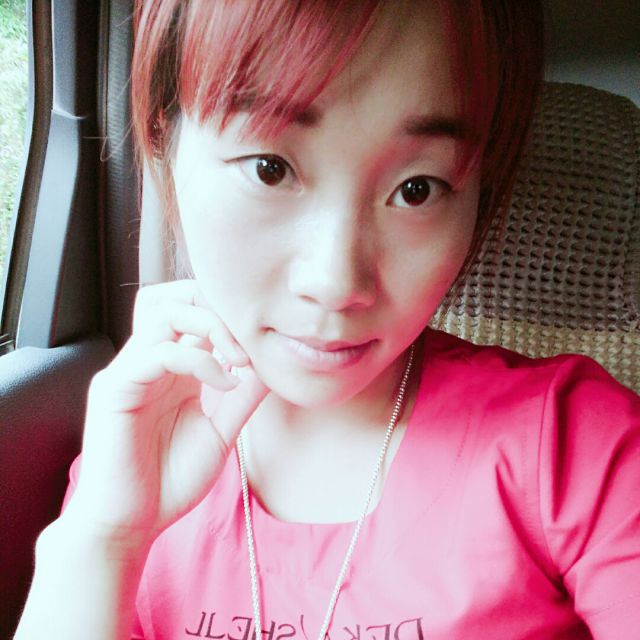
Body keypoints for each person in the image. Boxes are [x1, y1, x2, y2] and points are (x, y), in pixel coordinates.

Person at [15, 1, 640, 639]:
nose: (337, 283)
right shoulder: (136, 456)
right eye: (270, 169)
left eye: (417, 189)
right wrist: (104, 538)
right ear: (161, 144)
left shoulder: (577, 450)